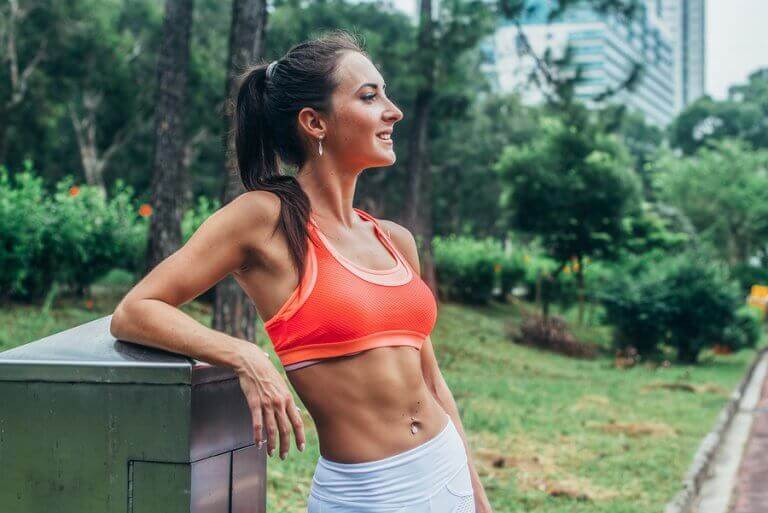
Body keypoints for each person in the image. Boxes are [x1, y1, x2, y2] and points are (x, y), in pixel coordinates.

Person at [109, 29, 492, 513]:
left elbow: (433, 383)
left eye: (386, 94)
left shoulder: (394, 240)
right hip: (366, 495)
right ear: (314, 122)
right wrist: (244, 354)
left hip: (446, 470)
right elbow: (135, 310)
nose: (393, 111)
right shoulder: (263, 219)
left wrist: (479, 500)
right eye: (369, 96)